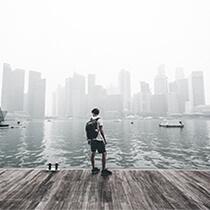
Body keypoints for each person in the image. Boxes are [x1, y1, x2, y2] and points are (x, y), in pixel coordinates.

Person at [85, 108, 112, 176]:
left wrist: (89, 139)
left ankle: (93, 168)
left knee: (93, 153)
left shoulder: (90, 120)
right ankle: (103, 170)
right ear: (98, 113)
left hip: (92, 139)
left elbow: (87, 131)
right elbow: (101, 130)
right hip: (99, 139)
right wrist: (104, 140)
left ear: (92, 113)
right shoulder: (99, 120)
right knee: (104, 153)